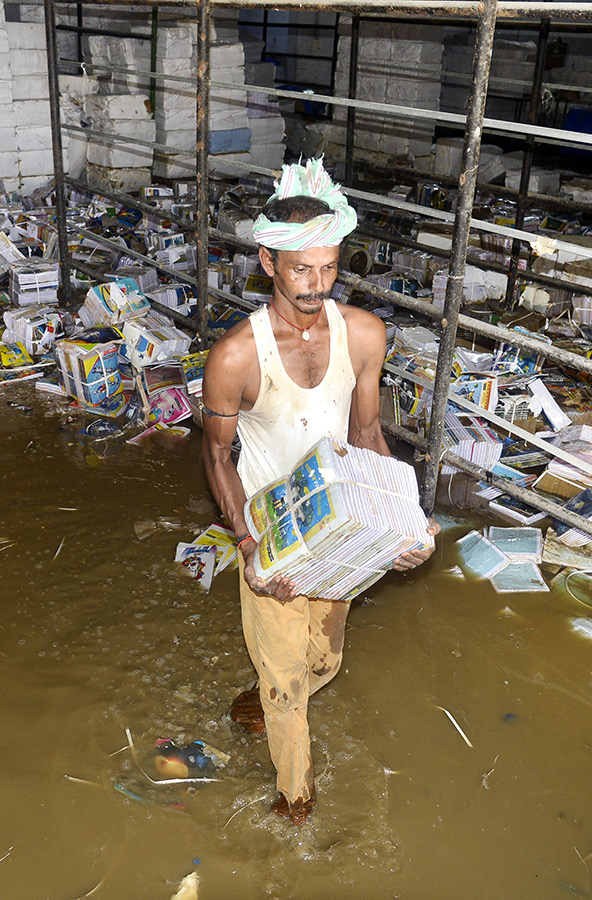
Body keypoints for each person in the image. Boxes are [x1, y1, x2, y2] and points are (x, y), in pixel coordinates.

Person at [201, 159, 438, 826]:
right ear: (268, 261)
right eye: (302, 269)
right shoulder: (237, 358)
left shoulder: (362, 335)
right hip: (272, 534)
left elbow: (367, 432)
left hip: (334, 528)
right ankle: (293, 806)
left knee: (322, 663)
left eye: (330, 267)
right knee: (290, 698)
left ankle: (266, 690)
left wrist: (404, 523)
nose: (318, 284)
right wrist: (247, 544)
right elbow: (217, 457)